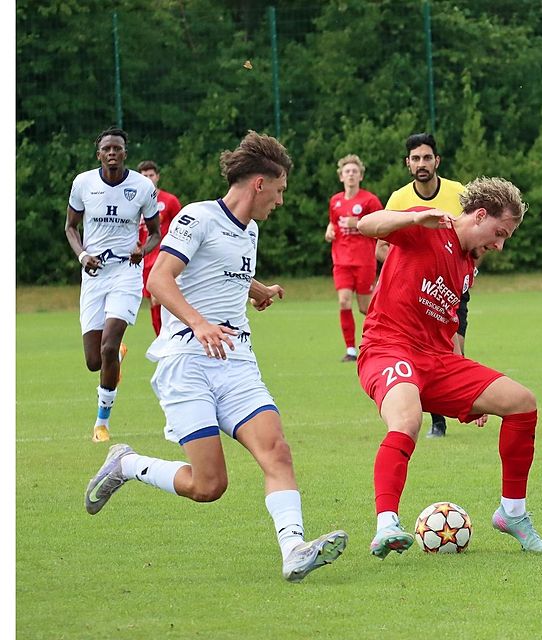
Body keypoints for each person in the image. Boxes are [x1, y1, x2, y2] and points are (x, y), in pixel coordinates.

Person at [83, 131, 348, 582]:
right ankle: (127, 464)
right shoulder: (198, 217)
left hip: (237, 361)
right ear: (259, 184)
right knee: (209, 486)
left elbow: (225, 271)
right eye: (280, 190)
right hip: (186, 363)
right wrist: (199, 322)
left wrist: (257, 289)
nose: (281, 201)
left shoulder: (252, 230)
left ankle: (293, 549)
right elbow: (161, 280)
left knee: (277, 451)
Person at [356, 176, 542, 558]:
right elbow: (366, 226)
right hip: (388, 348)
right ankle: (386, 525)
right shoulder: (427, 226)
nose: (499, 244)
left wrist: (469, 390)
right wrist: (413, 219)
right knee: (407, 420)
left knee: (521, 402)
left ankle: (512, 513)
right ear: (479, 215)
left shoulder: (466, 266)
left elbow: (451, 324)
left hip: (438, 360)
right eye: (499, 232)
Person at [65, 127, 161, 443]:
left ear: (124, 153)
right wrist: (82, 256)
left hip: (126, 274)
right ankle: (115, 354)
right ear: (99, 154)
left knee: (107, 347)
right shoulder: (83, 184)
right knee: (95, 361)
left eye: (117, 148)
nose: (112, 153)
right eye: (106, 148)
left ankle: (101, 423)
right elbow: (70, 227)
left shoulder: (142, 187)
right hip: (93, 276)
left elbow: (156, 234)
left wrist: (142, 250)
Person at [382, 133, 468, 438]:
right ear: (408, 163)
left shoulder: (459, 194)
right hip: (413, 291)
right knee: (423, 350)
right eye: (415, 158)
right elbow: (381, 246)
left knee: (452, 348)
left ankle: (460, 402)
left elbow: (476, 237)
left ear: (437, 161)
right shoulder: (399, 199)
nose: (422, 164)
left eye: (427, 158)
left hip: (453, 289)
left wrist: (467, 273)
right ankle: (437, 420)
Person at [324, 154, 383, 362]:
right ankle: (350, 350)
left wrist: (358, 222)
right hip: (341, 261)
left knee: (366, 308)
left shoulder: (370, 200)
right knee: (344, 301)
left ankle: (380, 341)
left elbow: (382, 226)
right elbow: (332, 223)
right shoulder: (335, 201)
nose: (350, 175)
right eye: (347, 171)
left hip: (364, 261)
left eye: (354, 171)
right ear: (341, 177)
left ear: (361, 176)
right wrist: (329, 230)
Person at [137, 160, 183, 336]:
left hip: (164, 257)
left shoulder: (169, 201)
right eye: (144, 176)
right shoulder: (135, 202)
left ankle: (168, 338)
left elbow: (182, 227)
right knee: (153, 302)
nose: (148, 179)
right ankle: (161, 338)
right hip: (144, 259)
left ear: (157, 177)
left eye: (151, 175)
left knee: (161, 298)